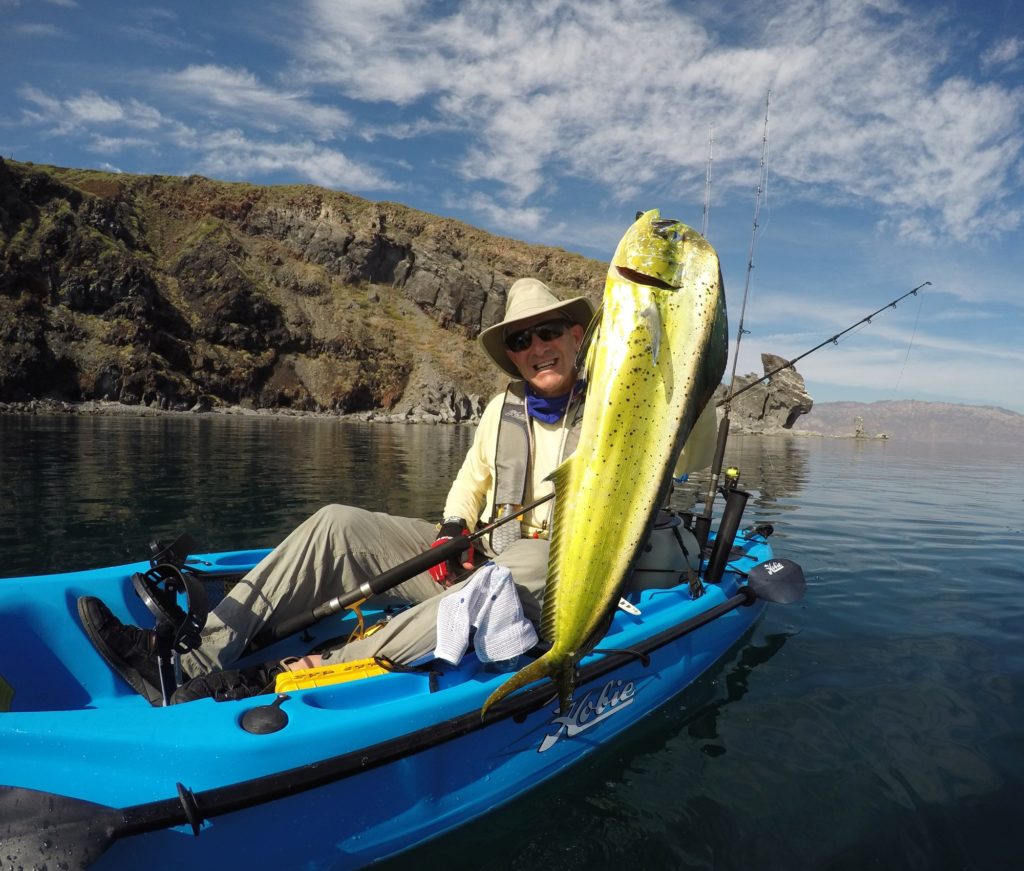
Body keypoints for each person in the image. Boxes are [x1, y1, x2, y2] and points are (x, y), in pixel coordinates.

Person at [78, 278, 598, 704]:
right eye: (520, 340)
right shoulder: (499, 410)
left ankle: (302, 675)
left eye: (547, 332)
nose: (536, 348)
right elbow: (470, 483)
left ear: (576, 336)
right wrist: (454, 529)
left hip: (567, 579)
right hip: (484, 559)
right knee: (337, 522)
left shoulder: (615, 409)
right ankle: (187, 659)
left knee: (517, 567)